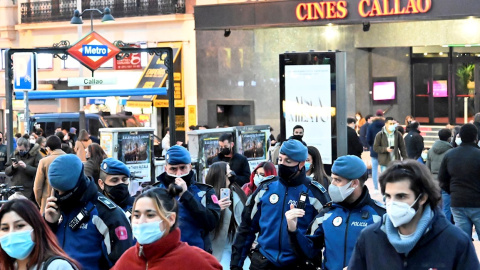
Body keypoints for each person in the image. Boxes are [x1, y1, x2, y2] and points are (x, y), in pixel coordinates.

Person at [348, 160, 479, 269]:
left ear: (422, 198)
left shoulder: (455, 241)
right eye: (388, 196)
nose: (392, 203)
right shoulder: (369, 238)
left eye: (401, 196)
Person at [230, 139, 330, 270]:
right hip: (264, 262)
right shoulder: (266, 188)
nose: (282, 164)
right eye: (280, 160)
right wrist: (236, 265)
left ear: (302, 164)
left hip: (299, 263)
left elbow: (324, 238)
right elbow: (246, 229)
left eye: (288, 161)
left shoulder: (315, 194)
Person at [286, 155, 385, 270]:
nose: (332, 184)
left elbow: (391, 258)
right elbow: (309, 250)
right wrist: (293, 230)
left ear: (354, 183)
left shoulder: (379, 215)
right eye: (332, 178)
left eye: (338, 180)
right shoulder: (327, 213)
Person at [44, 154, 133, 269]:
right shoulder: (55, 210)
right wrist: (49, 224)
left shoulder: (108, 214)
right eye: (56, 191)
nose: (59, 195)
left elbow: (122, 264)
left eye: (63, 191)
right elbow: (40, 252)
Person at [111, 187, 222, 270]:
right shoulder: (127, 259)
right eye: (137, 215)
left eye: (150, 215)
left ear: (171, 219)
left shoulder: (195, 261)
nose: (141, 221)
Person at [154, 145, 221, 252]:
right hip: (163, 255)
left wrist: (186, 195)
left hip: (196, 254)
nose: (178, 174)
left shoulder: (204, 192)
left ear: (190, 167)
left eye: (182, 168)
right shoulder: (154, 192)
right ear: (166, 169)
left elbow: (211, 223)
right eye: (173, 169)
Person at [0, 199, 80, 270]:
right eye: (5, 228)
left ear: (36, 228)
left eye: (20, 226)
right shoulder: (7, 266)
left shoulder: (57, 266)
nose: (11, 234)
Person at [438, 123, 480, 237]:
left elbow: (442, 179)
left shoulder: (450, 154)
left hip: (457, 201)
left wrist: (453, 191)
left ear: (460, 136)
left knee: (463, 240)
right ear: (476, 137)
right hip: (477, 202)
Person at [206, 162, 248, 268]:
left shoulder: (237, 191)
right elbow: (205, 224)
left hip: (238, 242)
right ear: (221, 174)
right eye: (228, 169)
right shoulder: (208, 197)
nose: (231, 172)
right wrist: (216, 209)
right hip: (220, 246)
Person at [426, 128, 453, 222]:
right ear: (449, 138)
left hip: (434, 182)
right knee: (446, 209)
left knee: (435, 208)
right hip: (446, 182)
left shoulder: (430, 150)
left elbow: (427, 168)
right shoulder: (450, 151)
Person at [34, 135, 66, 215]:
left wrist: (41, 203)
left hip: (48, 203)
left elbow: (37, 188)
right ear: (60, 145)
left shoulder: (44, 162)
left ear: (48, 148)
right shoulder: (71, 159)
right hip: (67, 202)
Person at [5, 137, 43, 203]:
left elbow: (39, 171)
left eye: (22, 150)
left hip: (29, 190)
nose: (20, 152)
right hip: (15, 189)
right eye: (19, 150)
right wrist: (13, 167)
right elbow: (7, 171)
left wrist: (26, 167)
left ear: (28, 147)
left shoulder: (36, 155)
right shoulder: (14, 154)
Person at [366, 110, 385, 192]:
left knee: (374, 169)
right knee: (384, 168)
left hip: (374, 150)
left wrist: (372, 145)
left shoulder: (371, 126)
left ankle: (376, 188)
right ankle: (384, 187)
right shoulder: (385, 125)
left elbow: (368, 139)